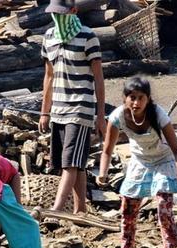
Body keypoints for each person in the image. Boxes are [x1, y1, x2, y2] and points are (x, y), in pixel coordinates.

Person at [96, 77, 177, 248]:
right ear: (125, 98)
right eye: (132, 97)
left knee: (164, 205)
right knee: (128, 208)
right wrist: (102, 173)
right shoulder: (117, 117)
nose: (136, 103)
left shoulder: (158, 115)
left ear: (148, 99)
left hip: (163, 160)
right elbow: (107, 149)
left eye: (141, 98)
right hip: (140, 161)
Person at [39, 0, 107, 214]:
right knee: (73, 162)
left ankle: (57, 209)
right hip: (58, 108)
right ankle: (81, 209)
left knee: (70, 161)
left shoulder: (88, 37)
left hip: (81, 108)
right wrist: (44, 111)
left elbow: (98, 78)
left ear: (74, 11)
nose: (58, 18)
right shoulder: (49, 37)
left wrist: (101, 115)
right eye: (55, 14)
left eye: (62, 13)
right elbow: (48, 76)